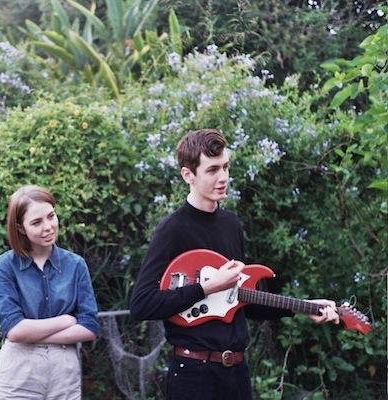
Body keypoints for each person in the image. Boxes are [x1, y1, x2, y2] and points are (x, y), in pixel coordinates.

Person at [129, 129, 339, 400]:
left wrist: (304, 307)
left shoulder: (231, 225)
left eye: (226, 167)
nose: (223, 177)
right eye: (212, 170)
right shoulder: (172, 230)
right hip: (193, 375)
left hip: (237, 373)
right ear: (188, 175)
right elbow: (142, 304)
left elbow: (241, 301)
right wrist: (207, 287)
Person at [0, 185, 100, 399]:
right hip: (18, 373)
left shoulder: (76, 265)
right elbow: (14, 330)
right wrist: (67, 320)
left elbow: (89, 327)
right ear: (21, 228)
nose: (48, 227)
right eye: (36, 222)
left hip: (64, 373)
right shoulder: (4, 266)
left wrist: (32, 334)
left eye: (51, 216)